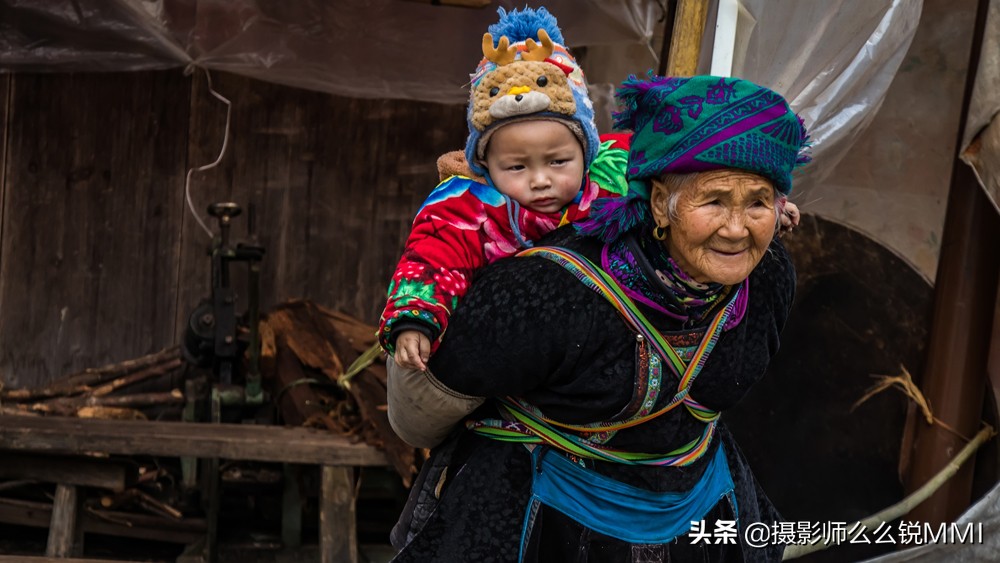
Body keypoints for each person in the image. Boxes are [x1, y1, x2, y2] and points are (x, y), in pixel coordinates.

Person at [386, 73, 809, 563]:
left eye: (757, 202)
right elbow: (418, 415)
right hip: (538, 519)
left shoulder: (769, 278)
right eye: (713, 200)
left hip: (697, 511)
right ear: (659, 203)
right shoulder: (546, 291)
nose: (736, 230)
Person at [377, 7, 631, 371]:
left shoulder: (609, 179)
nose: (540, 180)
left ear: (586, 152)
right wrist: (414, 320)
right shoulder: (469, 208)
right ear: (485, 167)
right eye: (516, 167)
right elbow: (432, 256)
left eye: (558, 161)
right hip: (507, 360)